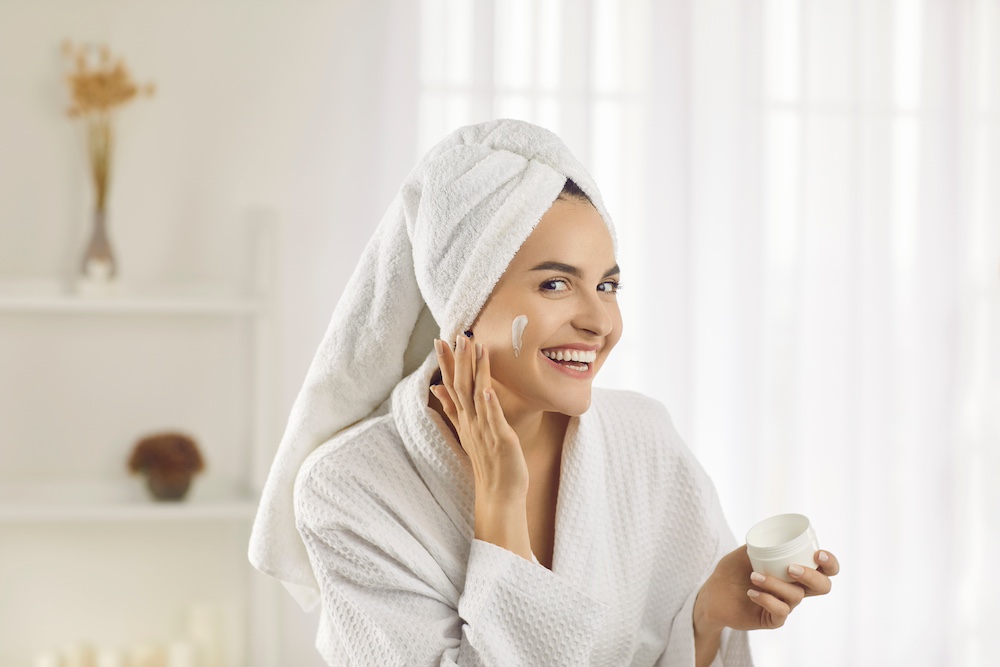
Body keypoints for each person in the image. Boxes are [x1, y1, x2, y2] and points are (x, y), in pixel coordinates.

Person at [248, 119, 838, 666]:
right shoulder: (350, 489)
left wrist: (706, 618)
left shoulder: (645, 440)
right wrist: (500, 512)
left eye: (607, 285)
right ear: (464, 302)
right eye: (555, 284)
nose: (599, 321)